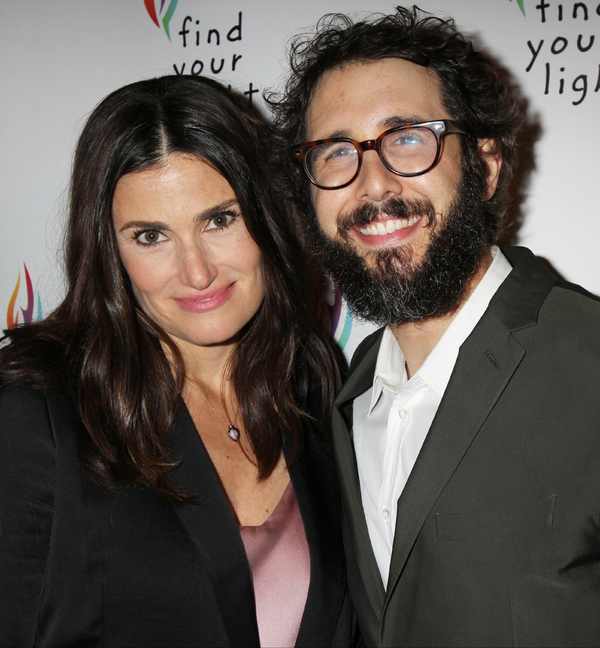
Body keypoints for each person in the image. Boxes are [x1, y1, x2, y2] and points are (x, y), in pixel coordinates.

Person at [270, 5, 600, 647]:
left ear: (486, 166)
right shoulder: (345, 395)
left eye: (409, 138)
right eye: (337, 152)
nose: (371, 183)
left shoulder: (589, 360)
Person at [0, 75, 355, 647]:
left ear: (266, 215)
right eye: (150, 236)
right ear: (109, 249)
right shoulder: (38, 414)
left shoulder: (316, 387)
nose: (197, 272)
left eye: (220, 219)